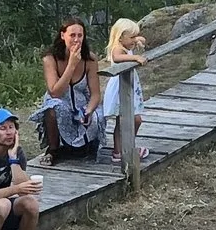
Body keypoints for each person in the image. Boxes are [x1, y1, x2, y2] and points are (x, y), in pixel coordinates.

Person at [38, 20, 100, 161]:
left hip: (81, 103)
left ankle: (87, 145)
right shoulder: (50, 59)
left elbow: (96, 94)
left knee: (96, 116)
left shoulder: (90, 59)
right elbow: (55, 92)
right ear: (63, 35)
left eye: (80, 35)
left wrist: (88, 111)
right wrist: (71, 65)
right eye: (72, 35)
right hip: (60, 101)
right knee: (53, 107)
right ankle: (53, 149)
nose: (76, 40)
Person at [101, 18, 148, 166]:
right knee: (122, 121)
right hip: (120, 88)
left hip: (130, 85)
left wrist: (138, 39)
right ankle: (119, 150)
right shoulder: (117, 48)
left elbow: (140, 40)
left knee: (134, 119)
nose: (134, 40)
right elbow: (117, 57)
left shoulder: (127, 44)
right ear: (121, 37)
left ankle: (126, 146)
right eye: (132, 37)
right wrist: (134, 57)